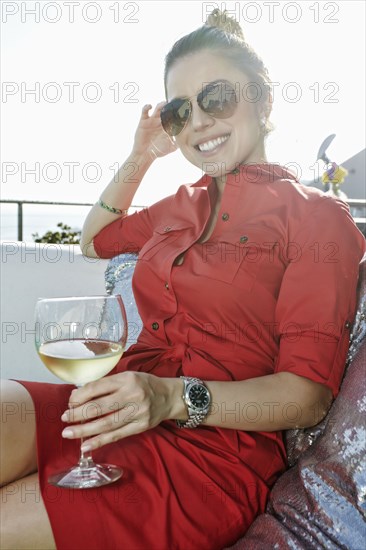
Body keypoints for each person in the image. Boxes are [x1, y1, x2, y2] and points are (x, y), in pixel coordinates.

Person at [1, 9, 365, 550]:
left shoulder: (316, 220)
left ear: (263, 100)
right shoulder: (178, 205)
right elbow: (94, 239)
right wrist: (143, 152)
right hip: (112, 406)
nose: (197, 123)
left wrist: (173, 398)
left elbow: (306, 397)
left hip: (211, 460)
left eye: (216, 98)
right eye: (179, 110)